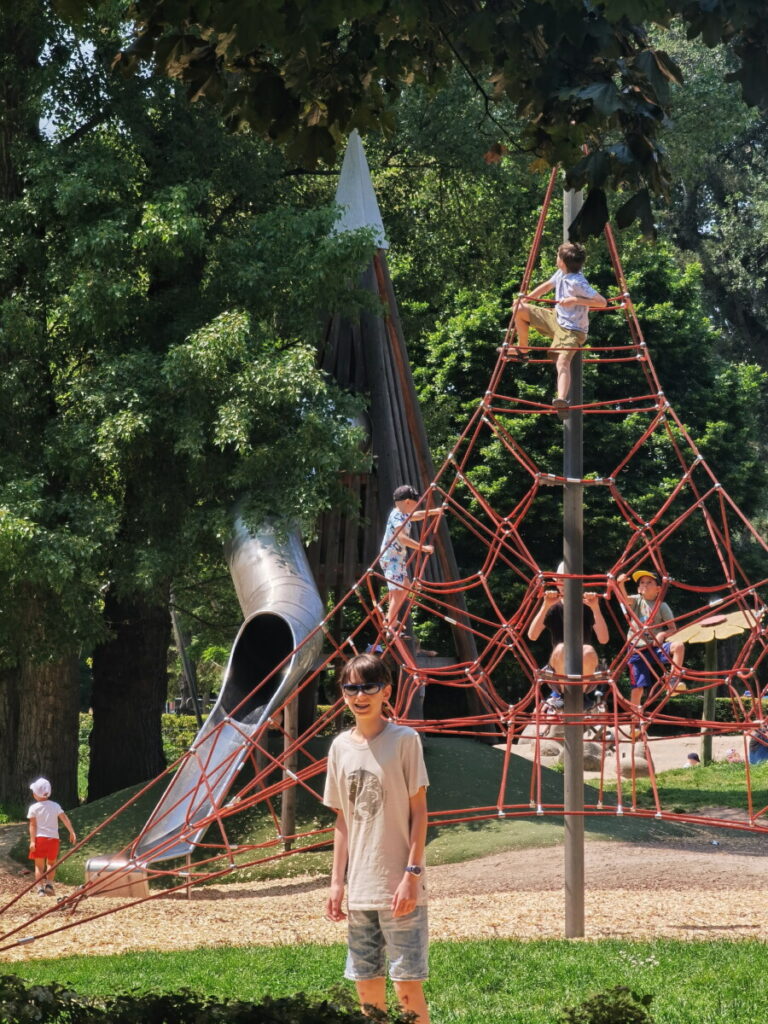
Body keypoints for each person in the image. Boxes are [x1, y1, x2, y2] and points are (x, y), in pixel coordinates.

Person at [324, 654, 430, 1023]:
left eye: (368, 686)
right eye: (350, 687)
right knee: (366, 989)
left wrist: (411, 876)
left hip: (398, 888)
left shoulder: (405, 740)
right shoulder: (339, 747)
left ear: (386, 691)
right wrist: (337, 883)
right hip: (360, 891)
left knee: (407, 986)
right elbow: (343, 820)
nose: (359, 695)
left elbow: (420, 813)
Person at [513, 241, 607, 418]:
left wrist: (576, 300)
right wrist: (526, 299)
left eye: (558, 255)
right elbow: (547, 285)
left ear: (562, 261)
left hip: (573, 329)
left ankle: (561, 399)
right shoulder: (561, 273)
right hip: (555, 318)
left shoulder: (578, 282)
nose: (556, 257)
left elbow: (602, 302)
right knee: (518, 309)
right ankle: (523, 349)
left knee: (563, 361)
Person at [527, 565, 609, 708]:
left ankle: (580, 698)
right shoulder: (554, 607)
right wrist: (545, 606)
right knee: (561, 648)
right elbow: (532, 635)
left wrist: (595, 608)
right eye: (561, 580)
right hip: (558, 672)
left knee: (588, 649)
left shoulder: (587, 607)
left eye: (569, 580)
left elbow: (603, 639)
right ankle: (564, 696)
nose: (565, 584)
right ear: (555, 581)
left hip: (585, 671)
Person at [617, 569, 686, 708]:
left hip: (654, 647)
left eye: (649, 582)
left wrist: (662, 634)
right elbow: (624, 600)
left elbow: (673, 628)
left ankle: (673, 680)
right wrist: (620, 585)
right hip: (637, 649)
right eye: (642, 582)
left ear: (658, 589)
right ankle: (635, 721)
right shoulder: (637, 601)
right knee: (638, 689)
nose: (645, 585)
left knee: (678, 646)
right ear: (638, 588)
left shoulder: (662, 606)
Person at [379, 485, 444, 630]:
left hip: (397, 558)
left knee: (405, 588)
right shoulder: (397, 515)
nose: (416, 508)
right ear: (408, 502)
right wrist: (423, 547)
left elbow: (416, 516)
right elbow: (402, 538)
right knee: (398, 590)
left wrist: (432, 512)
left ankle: (390, 618)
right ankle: (391, 623)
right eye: (416, 505)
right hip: (391, 558)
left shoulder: (402, 514)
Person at [27, 777, 76, 896]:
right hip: (53, 839)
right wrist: (72, 832)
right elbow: (64, 818)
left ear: (35, 794)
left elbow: (33, 825)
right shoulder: (55, 805)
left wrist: (32, 841)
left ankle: (40, 889)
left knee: (39, 866)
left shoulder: (34, 808)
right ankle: (49, 884)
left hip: (40, 839)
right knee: (51, 863)